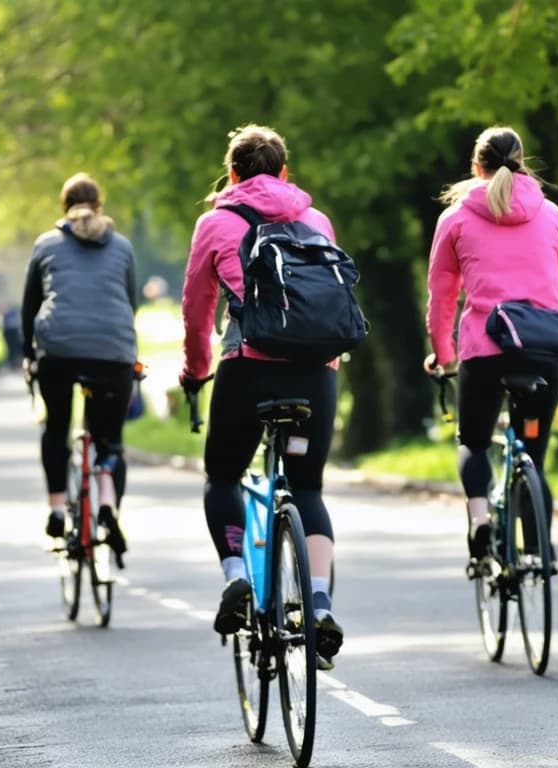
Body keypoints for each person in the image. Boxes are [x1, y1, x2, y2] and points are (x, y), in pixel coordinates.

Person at [179, 124, 343, 666]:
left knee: (223, 476)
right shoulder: (316, 220)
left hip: (248, 371)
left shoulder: (215, 223)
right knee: (308, 488)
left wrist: (195, 370)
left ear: (232, 173)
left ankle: (236, 576)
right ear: (284, 172)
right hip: (315, 374)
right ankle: (318, 602)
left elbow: (197, 309)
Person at [423, 126, 558, 562]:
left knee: (474, 442)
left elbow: (442, 296)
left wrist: (443, 355)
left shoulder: (455, 218)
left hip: (485, 351)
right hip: (544, 351)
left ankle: (481, 521)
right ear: (522, 162)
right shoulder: (553, 215)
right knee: (535, 454)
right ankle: (538, 549)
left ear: (476, 167)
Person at [22, 172, 138, 560]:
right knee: (111, 441)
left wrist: (29, 355)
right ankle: (107, 503)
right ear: (99, 205)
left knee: (56, 427)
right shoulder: (121, 246)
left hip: (58, 350)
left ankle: (57, 510)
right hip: (113, 350)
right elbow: (129, 303)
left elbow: (29, 308)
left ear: (64, 207)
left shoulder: (46, 244)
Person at [0, 303, 23, 370]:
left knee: (14, 350)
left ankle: (15, 363)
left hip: (11, 335)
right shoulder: (7, 316)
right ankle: (13, 363)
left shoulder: (9, 316)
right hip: (10, 336)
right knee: (12, 350)